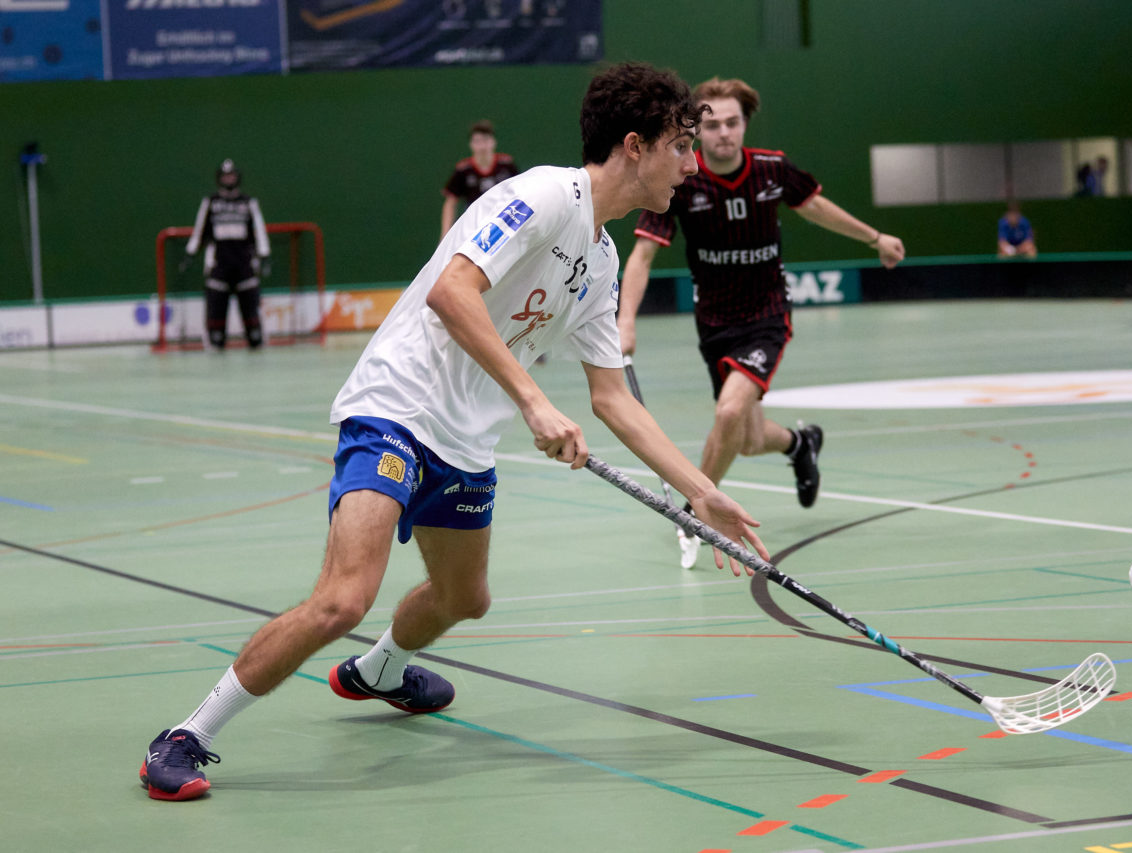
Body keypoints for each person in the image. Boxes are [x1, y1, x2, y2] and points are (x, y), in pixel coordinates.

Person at [138, 62, 768, 802]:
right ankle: (185, 735)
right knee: (344, 598)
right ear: (635, 145)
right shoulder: (543, 196)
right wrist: (534, 401)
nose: (691, 164)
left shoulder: (601, 259)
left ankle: (377, 670)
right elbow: (451, 291)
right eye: (681, 146)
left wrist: (700, 493)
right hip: (397, 406)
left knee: (465, 598)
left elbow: (612, 398)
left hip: (466, 439)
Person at [615, 76, 904, 569]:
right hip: (714, 323)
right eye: (712, 125)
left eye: (732, 123)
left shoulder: (772, 168)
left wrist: (874, 238)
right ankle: (800, 443)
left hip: (766, 315)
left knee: (728, 414)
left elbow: (816, 208)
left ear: (745, 124)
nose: (723, 133)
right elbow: (642, 256)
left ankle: (695, 511)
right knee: (746, 439)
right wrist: (626, 321)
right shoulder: (682, 180)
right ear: (697, 130)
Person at [183, 159, 271, 350]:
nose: (229, 179)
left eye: (232, 175)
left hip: (245, 264)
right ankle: (215, 341)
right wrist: (190, 252)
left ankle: (255, 339)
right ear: (219, 178)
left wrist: (264, 255)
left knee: (252, 319)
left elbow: (259, 230)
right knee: (216, 315)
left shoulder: (249, 202)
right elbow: (199, 230)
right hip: (219, 264)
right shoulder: (210, 202)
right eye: (225, 176)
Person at [440, 120, 520, 240]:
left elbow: (519, 194)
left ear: (493, 142)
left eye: (486, 140)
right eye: (477, 141)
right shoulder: (463, 170)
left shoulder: (507, 165)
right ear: (471, 144)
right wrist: (445, 235)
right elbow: (450, 203)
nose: (482, 146)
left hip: (503, 224)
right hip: (474, 228)